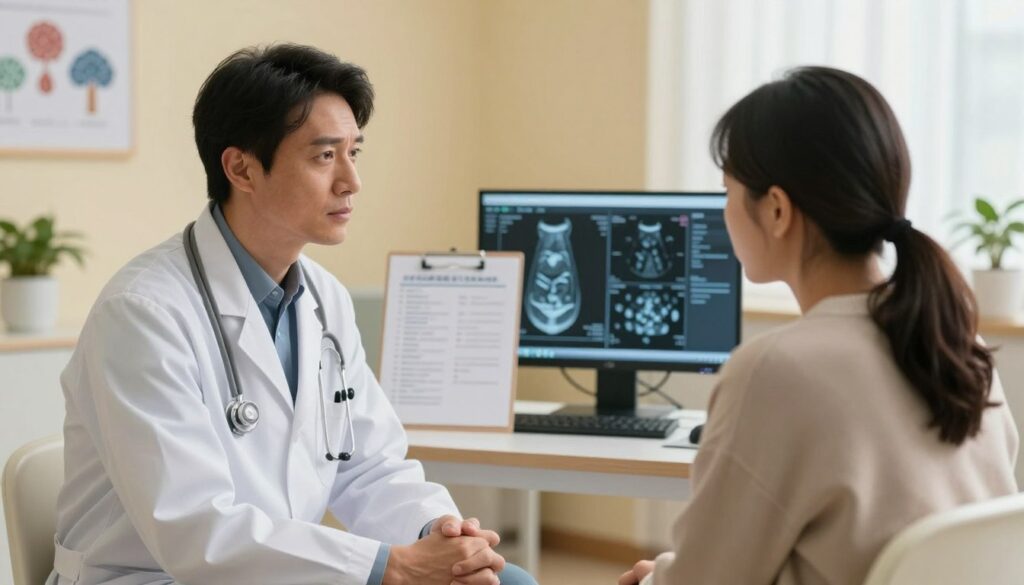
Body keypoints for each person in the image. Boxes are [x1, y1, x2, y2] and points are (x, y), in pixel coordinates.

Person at [47, 44, 536, 585]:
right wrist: (388, 567)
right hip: (152, 576)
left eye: (355, 152)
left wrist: (437, 533)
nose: (351, 181)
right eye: (324, 156)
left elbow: (368, 466)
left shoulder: (325, 298)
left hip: (276, 573)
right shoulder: (142, 314)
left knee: (506, 581)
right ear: (242, 168)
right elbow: (194, 530)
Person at [619, 66, 1019, 585]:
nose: (723, 211)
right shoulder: (956, 342)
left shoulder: (775, 369)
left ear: (778, 210)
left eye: (728, 191)